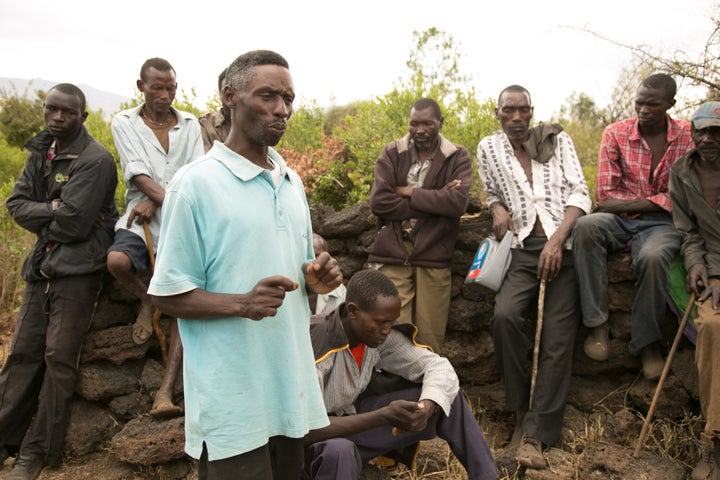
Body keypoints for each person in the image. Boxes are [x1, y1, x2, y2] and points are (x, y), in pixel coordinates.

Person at [147, 50, 342, 480]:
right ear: (230, 97)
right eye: (268, 96)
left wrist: (314, 280)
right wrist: (242, 304)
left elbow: (299, 279)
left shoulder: (290, 182)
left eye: (288, 98)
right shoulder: (195, 184)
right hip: (232, 406)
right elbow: (165, 293)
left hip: (289, 395)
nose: (282, 109)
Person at [0, 83, 118, 480]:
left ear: (83, 117)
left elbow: (73, 224)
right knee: (21, 356)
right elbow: (15, 204)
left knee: (58, 359)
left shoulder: (96, 160)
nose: (57, 118)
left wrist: (56, 215)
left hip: (77, 272)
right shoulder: (40, 151)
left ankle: (35, 453)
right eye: (51, 109)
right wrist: (53, 207)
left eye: (67, 112)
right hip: (41, 268)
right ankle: (4, 440)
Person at [476, 85, 591, 469]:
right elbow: (491, 189)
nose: (516, 117)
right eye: (508, 110)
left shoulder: (557, 140)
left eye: (523, 110)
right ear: (497, 113)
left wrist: (557, 241)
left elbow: (581, 192)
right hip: (523, 248)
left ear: (531, 111)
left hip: (566, 247)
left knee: (557, 339)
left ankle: (536, 433)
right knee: (505, 316)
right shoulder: (489, 148)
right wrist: (495, 208)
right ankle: (518, 410)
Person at [304, 269, 499, 480]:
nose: (387, 330)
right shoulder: (315, 341)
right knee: (339, 451)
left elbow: (437, 367)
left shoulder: (376, 336)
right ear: (353, 311)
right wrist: (383, 416)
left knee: (447, 398)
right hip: (314, 446)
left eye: (391, 322)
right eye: (380, 322)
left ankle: (488, 476)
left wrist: (426, 408)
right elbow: (306, 429)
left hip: (353, 422)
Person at [572, 73, 694, 380]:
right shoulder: (616, 133)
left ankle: (647, 344)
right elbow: (604, 197)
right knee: (586, 227)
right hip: (619, 220)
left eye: (652, 104)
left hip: (663, 225)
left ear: (670, 104)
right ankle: (597, 324)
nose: (643, 109)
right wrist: (659, 201)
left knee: (653, 258)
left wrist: (643, 203)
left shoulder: (688, 136)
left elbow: (684, 198)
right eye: (639, 102)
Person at [106, 57, 203, 417]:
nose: (165, 95)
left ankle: (165, 393)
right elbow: (138, 173)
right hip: (141, 217)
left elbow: (195, 174)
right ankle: (147, 301)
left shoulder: (190, 124)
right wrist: (154, 198)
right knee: (117, 261)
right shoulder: (125, 122)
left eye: (171, 88)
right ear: (141, 86)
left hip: (180, 221)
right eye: (157, 87)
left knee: (180, 300)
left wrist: (166, 202)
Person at [367, 97, 472, 353]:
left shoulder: (457, 156)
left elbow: (457, 203)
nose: (420, 130)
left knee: (430, 341)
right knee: (392, 336)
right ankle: (395, 392)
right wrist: (435, 200)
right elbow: (379, 202)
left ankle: (427, 393)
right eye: (414, 124)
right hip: (393, 253)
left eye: (427, 123)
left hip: (434, 255)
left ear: (440, 123)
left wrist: (407, 192)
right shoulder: (392, 152)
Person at [669, 101, 720, 480]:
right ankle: (712, 441)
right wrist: (697, 265)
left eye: (716, 132)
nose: (708, 139)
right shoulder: (682, 171)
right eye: (701, 131)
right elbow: (687, 232)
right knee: (713, 329)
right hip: (711, 268)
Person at [307, 233, 346, 315]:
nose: (314, 262)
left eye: (319, 256)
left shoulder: (339, 291)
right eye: (308, 257)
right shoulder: (287, 291)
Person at [198, 67, 232, 151]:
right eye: (228, 93)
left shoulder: (260, 122)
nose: (231, 99)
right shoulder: (205, 125)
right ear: (221, 94)